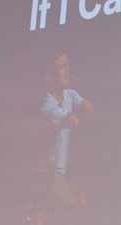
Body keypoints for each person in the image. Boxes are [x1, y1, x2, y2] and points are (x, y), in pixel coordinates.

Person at [40, 52, 93, 207]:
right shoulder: (47, 106)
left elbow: (90, 107)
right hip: (48, 175)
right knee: (75, 207)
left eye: (67, 65)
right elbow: (72, 121)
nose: (67, 69)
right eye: (61, 67)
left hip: (59, 175)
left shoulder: (69, 94)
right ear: (49, 77)